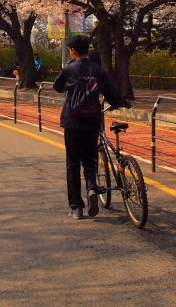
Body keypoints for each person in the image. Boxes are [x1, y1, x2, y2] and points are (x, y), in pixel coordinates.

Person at [52, 35, 129, 220]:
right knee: (90, 159)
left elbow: (57, 87)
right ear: (87, 50)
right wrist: (123, 102)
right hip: (92, 121)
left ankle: (77, 207)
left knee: (72, 163)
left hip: (72, 121)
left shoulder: (69, 69)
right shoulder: (98, 70)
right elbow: (111, 93)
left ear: (72, 50)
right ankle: (92, 188)